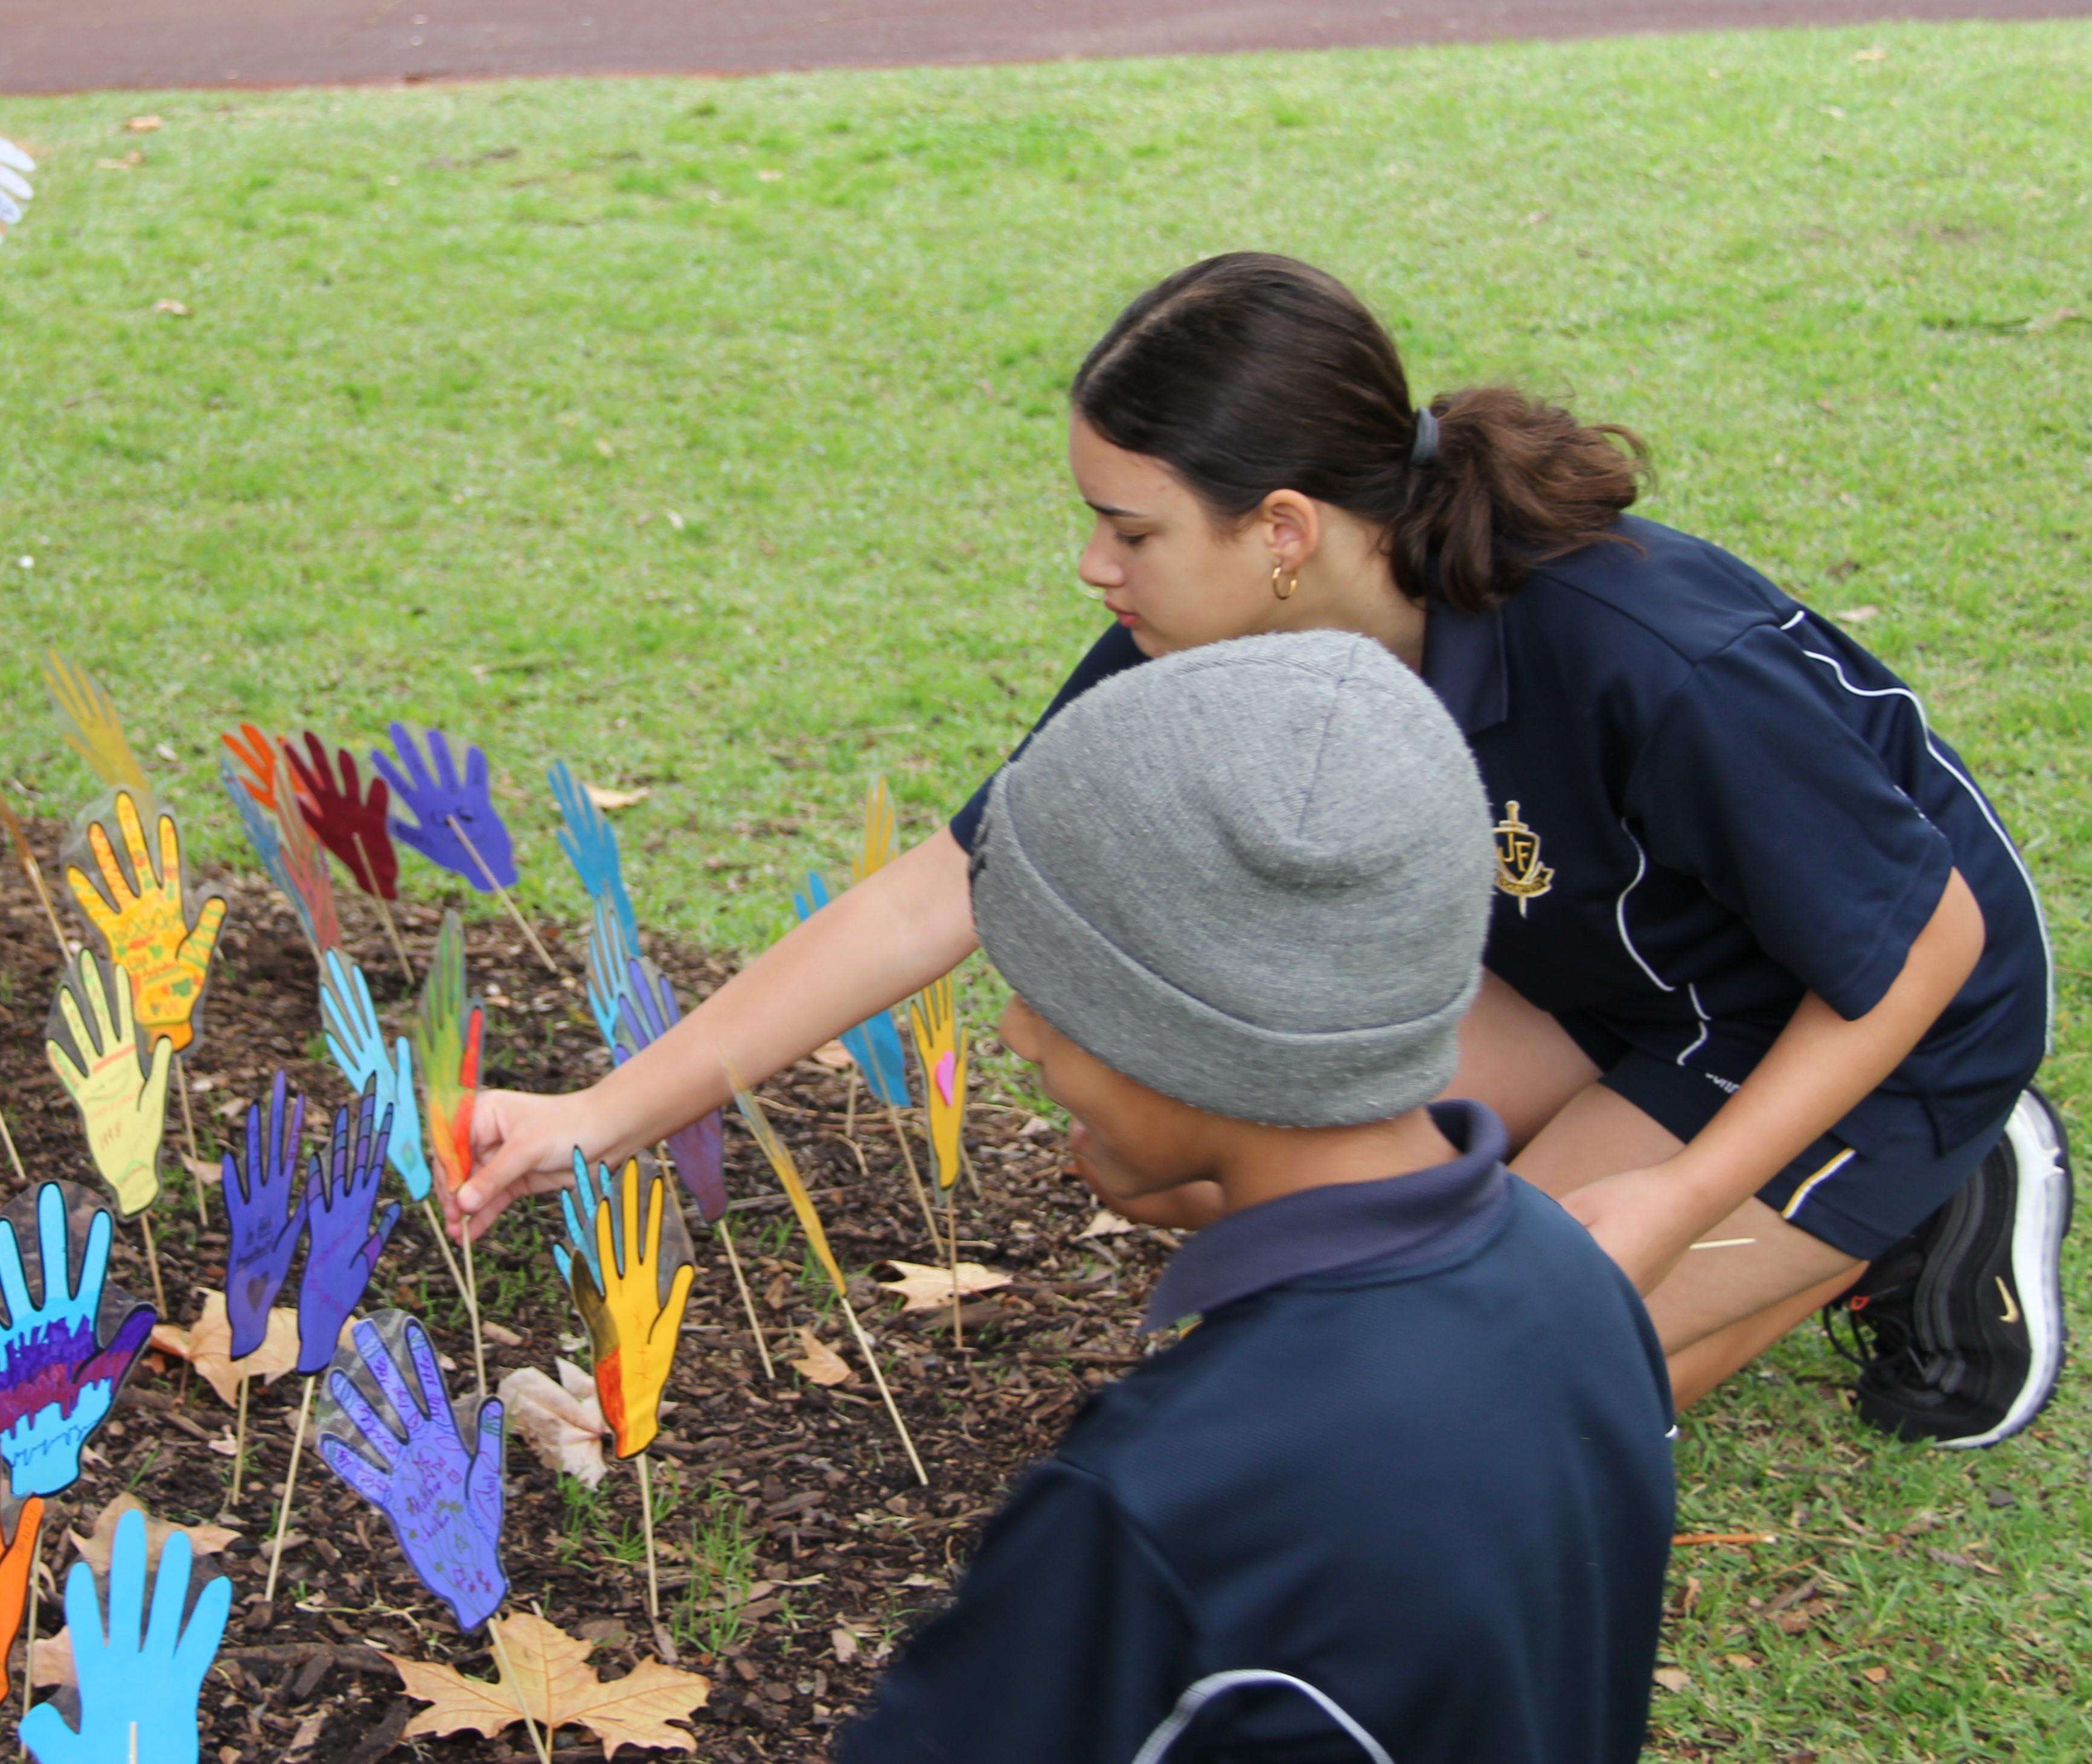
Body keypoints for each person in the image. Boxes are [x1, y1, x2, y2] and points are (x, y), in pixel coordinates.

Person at [462, 252, 2068, 1448]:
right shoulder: (1204, 625)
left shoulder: (1648, 652)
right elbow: (937, 893)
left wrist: (1675, 1195)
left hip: (1867, 1004)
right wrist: (598, 1115)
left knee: (1468, 1412)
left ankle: (1924, 1188)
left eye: (1131, 529)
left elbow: (1922, 942)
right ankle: (1689, 1212)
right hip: (1595, 991)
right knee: (1193, 1167)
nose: (1094, 567)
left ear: (1284, 530)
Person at [840, 629, 1675, 1764]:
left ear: (1180, 1031)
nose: (1014, 1032)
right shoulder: (1573, 1280)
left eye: (1050, 991)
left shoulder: (1159, 1495)